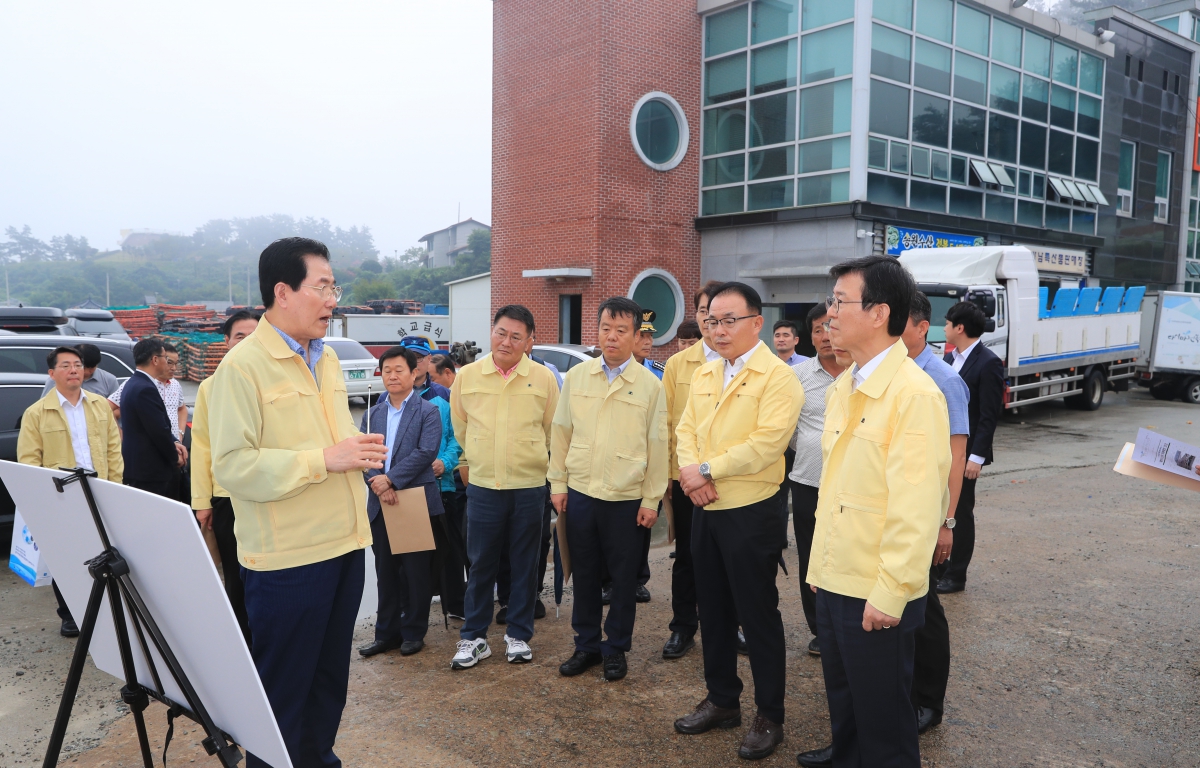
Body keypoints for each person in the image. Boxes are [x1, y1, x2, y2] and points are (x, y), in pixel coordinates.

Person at [208, 237, 388, 768]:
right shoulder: (241, 368)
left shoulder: (327, 359)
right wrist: (323, 459)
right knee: (283, 694)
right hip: (289, 561)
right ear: (282, 292)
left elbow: (331, 438)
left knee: (329, 684)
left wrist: (355, 453)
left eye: (335, 287)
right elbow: (233, 467)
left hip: (345, 545)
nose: (333, 299)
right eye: (323, 286)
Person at [797, 256, 950, 768]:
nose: (829, 313)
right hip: (838, 579)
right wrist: (820, 567)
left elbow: (917, 508)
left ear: (880, 312)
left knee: (884, 726)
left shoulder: (914, 395)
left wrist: (890, 592)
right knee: (846, 709)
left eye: (840, 301)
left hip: (876, 592)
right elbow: (838, 491)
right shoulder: (849, 383)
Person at [673, 281, 804, 762]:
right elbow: (685, 429)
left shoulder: (778, 378)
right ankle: (723, 699)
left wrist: (706, 470)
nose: (718, 330)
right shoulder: (707, 373)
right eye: (711, 321)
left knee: (758, 614)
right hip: (705, 506)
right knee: (713, 609)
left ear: (756, 322)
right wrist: (693, 477)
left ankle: (770, 714)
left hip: (750, 510)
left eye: (729, 320)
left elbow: (768, 443)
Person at [550, 297, 667, 681]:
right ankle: (586, 645)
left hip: (626, 497)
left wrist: (651, 499)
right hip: (582, 491)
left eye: (621, 330)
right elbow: (562, 432)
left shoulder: (650, 385)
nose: (611, 337)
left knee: (623, 579)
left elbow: (657, 445)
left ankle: (615, 647)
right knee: (583, 573)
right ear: (596, 331)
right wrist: (558, 483)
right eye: (605, 328)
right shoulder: (579, 379)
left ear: (636, 336)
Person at [449, 305, 559, 669]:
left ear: (529, 341)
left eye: (516, 336)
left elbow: (551, 432)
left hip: (529, 487)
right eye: (500, 332)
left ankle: (518, 634)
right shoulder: (467, 376)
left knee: (526, 563)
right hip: (483, 487)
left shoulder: (543, 378)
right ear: (491, 332)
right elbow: (462, 428)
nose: (506, 341)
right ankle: (474, 638)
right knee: (481, 564)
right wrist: (474, 461)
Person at [18, 346, 123, 638]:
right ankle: (69, 615)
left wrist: (115, 488)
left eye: (77, 364)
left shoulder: (100, 405)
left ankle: (107, 612)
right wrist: (40, 502)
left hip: (99, 492)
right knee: (65, 558)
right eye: (65, 365)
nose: (74, 369)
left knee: (104, 555)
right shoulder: (37, 413)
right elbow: (29, 463)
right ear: (52, 374)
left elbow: (113, 449)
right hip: (61, 498)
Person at [903, 292, 970, 735]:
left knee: (925, 610)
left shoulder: (943, 380)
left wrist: (947, 523)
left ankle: (930, 702)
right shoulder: (892, 374)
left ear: (922, 327)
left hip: (928, 516)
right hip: (897, 512)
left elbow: (955, 457)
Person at [358, 346, 445, 658]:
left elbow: (426, 452)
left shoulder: (427, 411)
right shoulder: (372, 413)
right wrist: (378, 483)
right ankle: (387, 634)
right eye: (387, 370)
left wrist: (391, 479)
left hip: (412, 500)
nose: (392, 375)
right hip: (381, 502)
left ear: (413, 373)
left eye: (399, 370)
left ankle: (413, 632)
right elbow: (364, 453)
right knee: (386, 571)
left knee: (414, 572)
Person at [660, 280, 724, 660]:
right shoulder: (678, 364)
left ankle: (731, 625)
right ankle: (683, 626)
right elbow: (669, 425)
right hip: (685, 479)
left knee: (729, 557)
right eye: (703, 312)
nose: (710, 321)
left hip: (732, 480)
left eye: (719, 315)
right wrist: (673, 477)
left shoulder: (752, 363)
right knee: (687, 555)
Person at [190, 310, 260, 646]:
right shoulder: (209, 387)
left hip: (267, 493)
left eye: (254, 336)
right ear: (226, 342)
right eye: (239, 337)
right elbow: (201, 446)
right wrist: (202, 502)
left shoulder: (273, 381)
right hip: (228, 498)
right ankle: (243, 645)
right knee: (235, 575)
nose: (246, 344)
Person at [787, 305, 847, 657]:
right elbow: (789, 429)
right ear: (809, 337)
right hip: (808, 480)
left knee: (844, 552)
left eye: (830, 327)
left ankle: (845, 623)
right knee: (811, 556)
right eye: (817, 330)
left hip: (850, 485)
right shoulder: (798, 377)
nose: (825, 336)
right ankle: (819, 629)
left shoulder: (859, 372)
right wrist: (813, 447)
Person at [936, 301, 1004, 595]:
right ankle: (940, 565)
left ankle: (957, 574)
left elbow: (989, 415)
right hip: (944, 449)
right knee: (940, 508)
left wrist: (976, 457)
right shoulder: (951, 359)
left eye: (948, 323)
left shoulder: (988, 362)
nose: (945, 328)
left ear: (960, 328)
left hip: (967, 455)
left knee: (960, 513)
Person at [119, 338, 187, 498]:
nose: (168, 364)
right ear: (155, 360)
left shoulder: (134, 383)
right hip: (149, 471)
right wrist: (174, 456)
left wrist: (175, 441)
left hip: (140, 469)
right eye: (165, 359)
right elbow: (158, 430)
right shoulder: (145, 389)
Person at [109, 343, 187, 440]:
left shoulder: (175, 385)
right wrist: (120, 435)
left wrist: (180, 434)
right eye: (169, 362)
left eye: (176, 363)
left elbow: (182, 409)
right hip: (149, 449)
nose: (173, 368)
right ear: (156, 360)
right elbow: (106, 408)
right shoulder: (138, 384)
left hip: (173, 446)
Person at [38, 343, 120, 406]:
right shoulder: (55, 380)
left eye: (93, 367)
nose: (89, 372)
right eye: (84, 367)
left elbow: (117, 409)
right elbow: (44, 405)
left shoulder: (109, 380)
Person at [399, 336, 451, 402]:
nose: (414, 363)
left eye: (418, 357)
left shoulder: (445, 395)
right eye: (409, 358)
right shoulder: (389, 396)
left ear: (429, 359)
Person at [632, 309, 665, 380]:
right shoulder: (615, 369)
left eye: (651, 335)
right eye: (641, 336)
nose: (648, 342)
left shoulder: (659, 372)